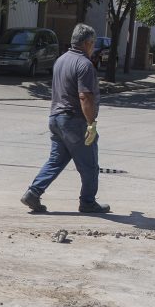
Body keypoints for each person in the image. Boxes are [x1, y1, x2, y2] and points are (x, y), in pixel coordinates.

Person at [20, 23, 110, 214]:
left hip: (56, 119)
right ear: (87, 43)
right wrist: (91, 123)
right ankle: (87, 202)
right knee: (90, 165)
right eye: (92, 43)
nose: (93, 47)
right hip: (74, 121)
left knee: (56, 161)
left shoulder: (61, 60)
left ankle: (33, 193)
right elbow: (85, 96)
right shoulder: (84, 64)